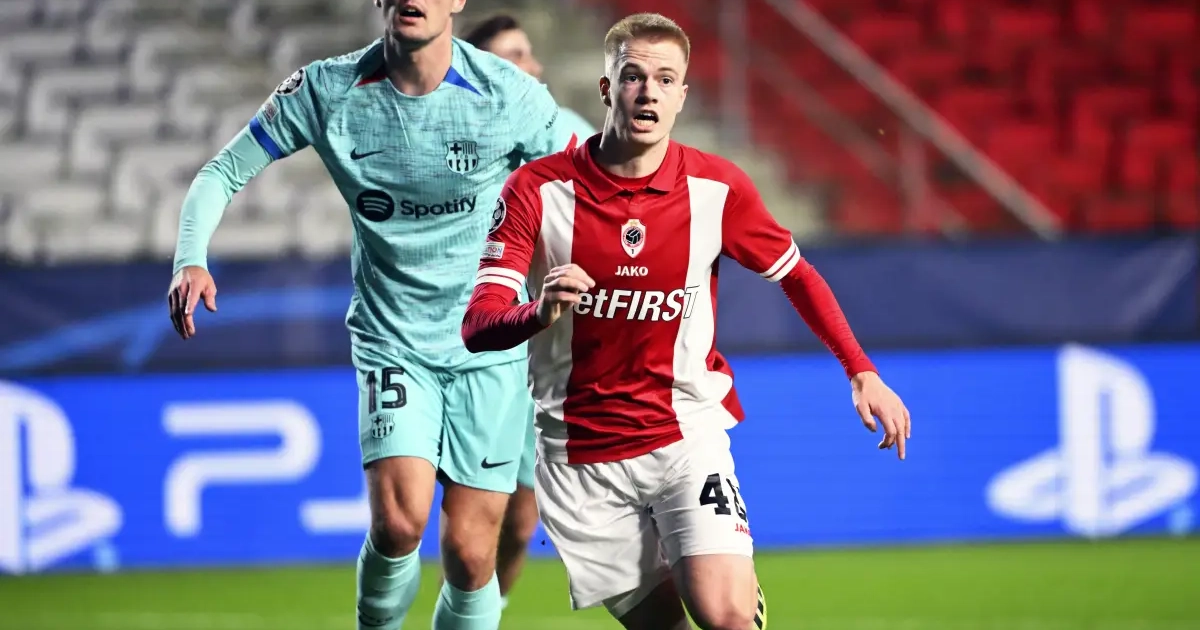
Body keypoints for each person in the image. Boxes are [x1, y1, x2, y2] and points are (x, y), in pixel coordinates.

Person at [461, 12, 911, 630]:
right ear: (606, 88)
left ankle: (734, 599)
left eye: (665, 79)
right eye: (633, 76)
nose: (648, 92)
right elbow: (478, 323)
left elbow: (797, 274)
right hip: (578, 457)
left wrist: (861, 371)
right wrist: (537, 311)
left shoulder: (717, 188)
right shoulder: (534, 190)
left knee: (724, 617)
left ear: (682, 96)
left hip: (684, 436)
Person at [166, 1, 578, 629]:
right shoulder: (327, 90)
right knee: (399, 522)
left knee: (472, 555)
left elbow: (592, 184)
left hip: (489, 345)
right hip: (394, 339)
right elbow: (223, 170)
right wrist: (190, 258)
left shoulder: (508, 93)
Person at [460, 13, 597, 608]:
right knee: (470, 522)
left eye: (530, 53)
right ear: (482, 70)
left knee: (520, 522)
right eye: (516, 56)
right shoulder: (450, 130)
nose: (533, 67)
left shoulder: (567, 129)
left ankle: (482, 616)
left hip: (539, 344)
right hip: (473, 339)